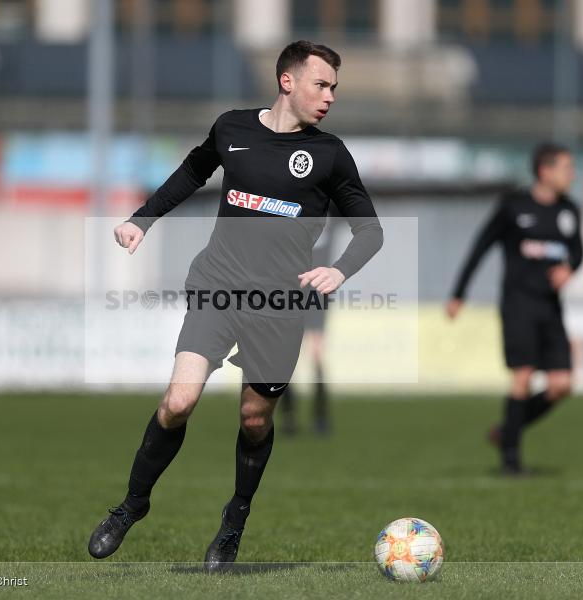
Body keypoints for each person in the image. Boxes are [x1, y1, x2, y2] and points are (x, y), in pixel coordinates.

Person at [88, 41, 383, 571]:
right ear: (287, 81)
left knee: (253, 420)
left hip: (280, 303)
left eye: (335, 87)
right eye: (322, 84)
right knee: (178, 402)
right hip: (217, 285)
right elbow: (191, 172)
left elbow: (370, 230)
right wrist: (141, 219)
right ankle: (131, 505)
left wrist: (341, 269)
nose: (330, 96)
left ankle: (234, 520)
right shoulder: (232, 129)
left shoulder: (330, 153)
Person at [446, 142, 583, 475]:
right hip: (518, 305)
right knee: (522, 376)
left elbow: (579, 251)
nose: (572, 175)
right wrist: (459, 293)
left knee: (561, 385)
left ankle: (506, 430)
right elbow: (481, 246)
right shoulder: (513, 206)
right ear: (545, 170)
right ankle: (511, 461)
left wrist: (570, 267)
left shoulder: (569, 210)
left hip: (551, 309)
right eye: (566, 168)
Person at [280, 211, 336, 436]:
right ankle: (288, 416)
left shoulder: (327, 218)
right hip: (292, 294)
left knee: (316, 353)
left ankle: (321, 416)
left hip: (317, 295)